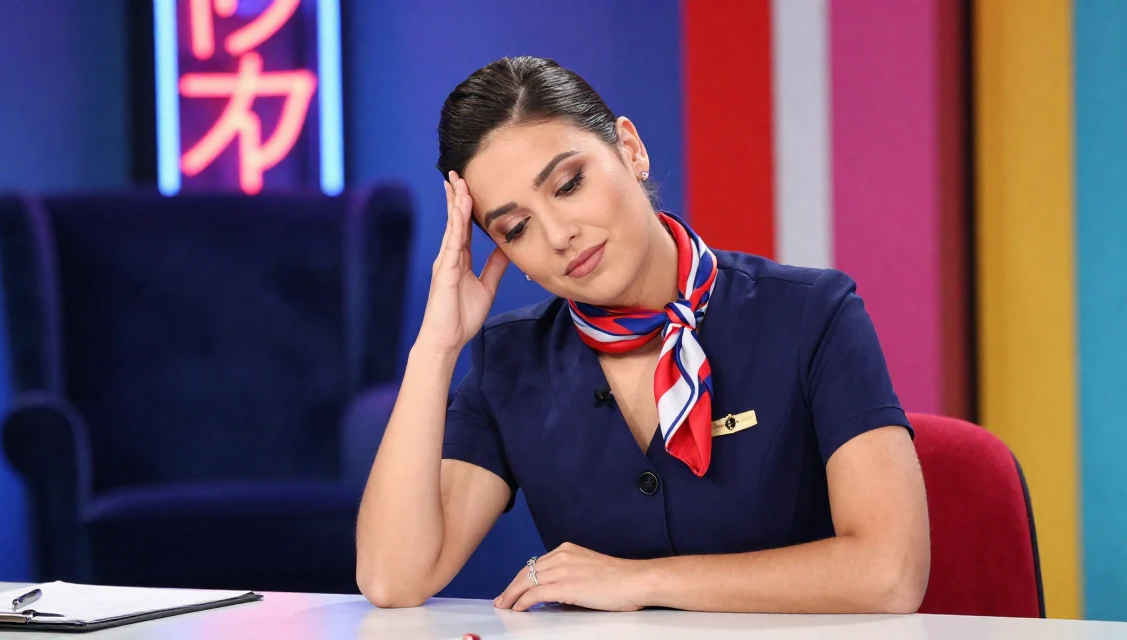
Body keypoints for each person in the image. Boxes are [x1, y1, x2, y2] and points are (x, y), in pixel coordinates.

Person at [355, 56, 929, 614]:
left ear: (630, 150)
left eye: (569, 183)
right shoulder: (511, 361)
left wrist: (642, 581)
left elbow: (889, 572)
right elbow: (393, 577)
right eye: (517, 228)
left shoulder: (813, 314)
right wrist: (436, 346)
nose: (559, 234)